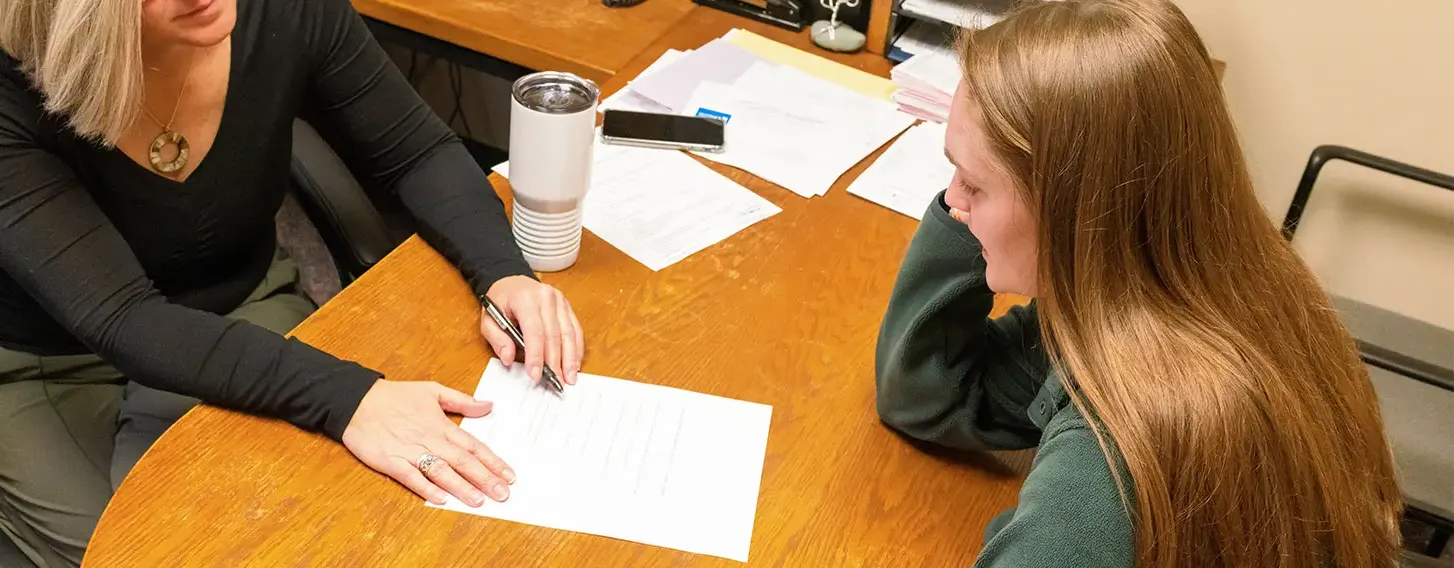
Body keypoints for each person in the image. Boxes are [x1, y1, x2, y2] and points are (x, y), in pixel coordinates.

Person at [0, 0, 587, 564]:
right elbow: (127, 320)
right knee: (147, 550)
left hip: (238, 300)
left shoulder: (282, 10)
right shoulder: (12, 88)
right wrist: (348, 396)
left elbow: (416, 151)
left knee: (331, 520)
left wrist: (504, 273)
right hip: (53, 355)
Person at [874, 1, 1403, 567]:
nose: (952, 200)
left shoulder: (1114, 458)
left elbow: (1079, 523)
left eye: (974, 184)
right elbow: (928, 395)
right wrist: (972, 210)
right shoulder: (1196, 286)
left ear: (1075, 211)